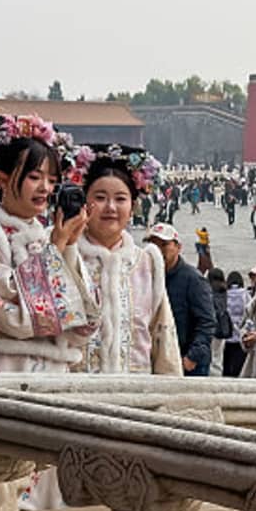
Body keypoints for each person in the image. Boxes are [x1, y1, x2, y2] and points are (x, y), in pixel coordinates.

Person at [0, 115, 93, 372]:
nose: (45, 188)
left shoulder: (47, 235)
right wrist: (55, 249)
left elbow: (82, 326)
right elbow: (10, 315)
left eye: (52, 181)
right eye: (35, 177)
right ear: (2, 179)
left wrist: (69, 246)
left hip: (53, 372)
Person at [71, 146, 180, 375]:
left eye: (120, 199)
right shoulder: (66, 255)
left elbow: (163, 335)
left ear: (132, 207)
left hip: (136, 388)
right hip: (74, 388)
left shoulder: (147, 263)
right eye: (100, 198)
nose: (110, 207)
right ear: (84, 202)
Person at [146, 222, 217, 376]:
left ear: (178, 247)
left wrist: (193, 356)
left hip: (187, 361)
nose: (158, 251)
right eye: (153, 245)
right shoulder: (146, 276)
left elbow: (207, 321)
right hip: (156, 356)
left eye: (164, 245)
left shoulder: (193, 279)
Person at [221, 272, 251, 378]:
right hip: (240, 335)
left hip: (227, 335)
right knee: (239, 366)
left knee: (226, 365)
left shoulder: (225, 294)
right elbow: (250, 312)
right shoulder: (245, 295)